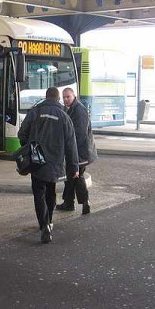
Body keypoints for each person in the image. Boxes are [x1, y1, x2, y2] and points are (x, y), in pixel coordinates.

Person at [18, 87, 79, 244]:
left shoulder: (35, 112)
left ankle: (43, 225)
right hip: (55, 162)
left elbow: (22, 133)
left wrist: (29, 148)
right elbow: (71, 145)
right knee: (50, 191)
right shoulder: (65, 116)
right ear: (58, 99)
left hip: (37, 161)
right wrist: (74, 168)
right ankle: (49, 221)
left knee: (38, 193)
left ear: (45, 97)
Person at [57, 87, 98, 215]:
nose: (65, 99)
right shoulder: (70, 109)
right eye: (63, 97)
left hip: (80, 152)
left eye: (68, 97)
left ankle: (85, 202)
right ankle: (69, 202)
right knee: (70, 177)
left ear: (74, 96)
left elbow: (80, 135)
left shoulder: (79, 110)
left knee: (76, 176)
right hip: (76, 151)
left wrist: (72, 152)